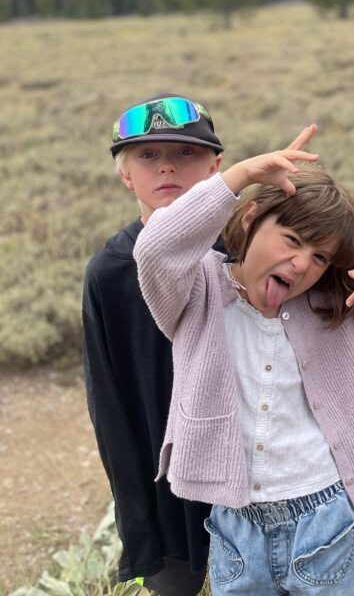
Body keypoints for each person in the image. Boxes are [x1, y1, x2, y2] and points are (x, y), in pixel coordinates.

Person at [132, 124, 354, 596]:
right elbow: (155, 248)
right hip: (237, 523)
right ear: (252, 216)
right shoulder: (195, 289)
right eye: (292, 240)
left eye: (319, 257)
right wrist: (234, 179)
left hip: (329, 513)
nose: (300, 265)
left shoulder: (337, 297)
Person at [82, 93, 225, 596]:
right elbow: (108, 402)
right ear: (125, 175)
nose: (167, 166)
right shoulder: (110, 272)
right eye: (147, 156)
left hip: (242, 468)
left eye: (186, 153)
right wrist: (136, 510)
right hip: (162, 478)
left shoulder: (246, 251)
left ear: (216, 166)